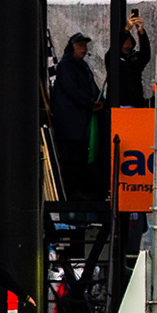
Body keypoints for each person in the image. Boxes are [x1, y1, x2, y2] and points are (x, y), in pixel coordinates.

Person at [50, 32, 103, 198]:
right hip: (70, 122)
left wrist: (98, 100)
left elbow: (91, 87)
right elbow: (72, 90)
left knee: (81, 156)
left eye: (85, 45)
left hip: (81, 121)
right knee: (72, 157)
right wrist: (89, 103)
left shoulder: (82, 66)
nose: (83, 49)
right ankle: (74, 192)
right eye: (80, 45)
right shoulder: (66, 66)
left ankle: (84, 190)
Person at [110, 13, 152, 108]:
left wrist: (141, 32)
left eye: (129, 41)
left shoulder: (134, 59)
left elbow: (145, 54)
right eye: (125, 41)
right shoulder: (113, 57)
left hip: (135, 103)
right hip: (117, 104)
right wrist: (126, 29)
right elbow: (113, 49)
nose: (128, 44)